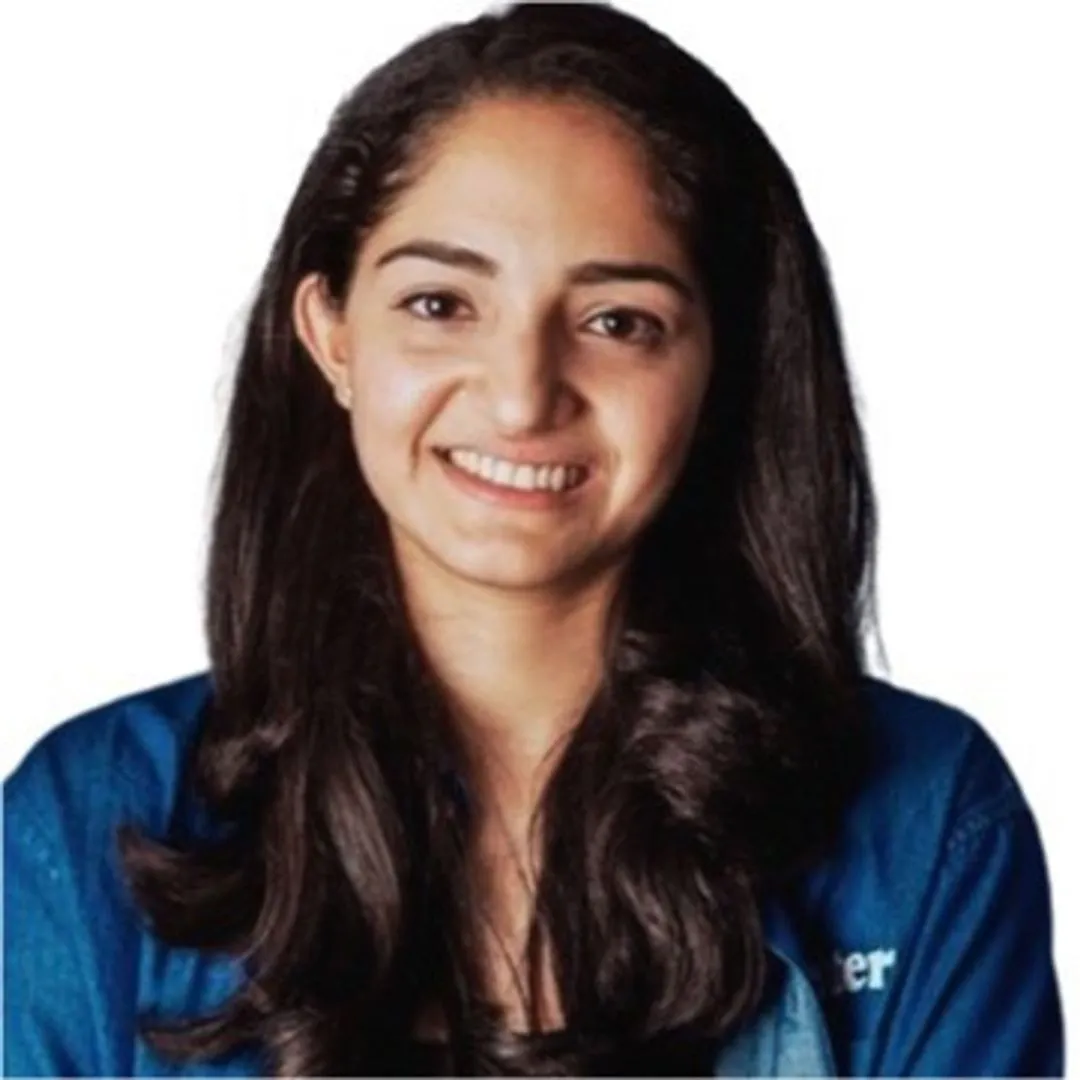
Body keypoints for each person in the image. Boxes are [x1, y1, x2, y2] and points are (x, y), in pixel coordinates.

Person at [3, 3, 1063, 1076]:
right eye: (439, 302)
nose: (521, 398)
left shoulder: (927, 823)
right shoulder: (83, 827)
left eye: (617, 322)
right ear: (328, 332)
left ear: (723, 364)